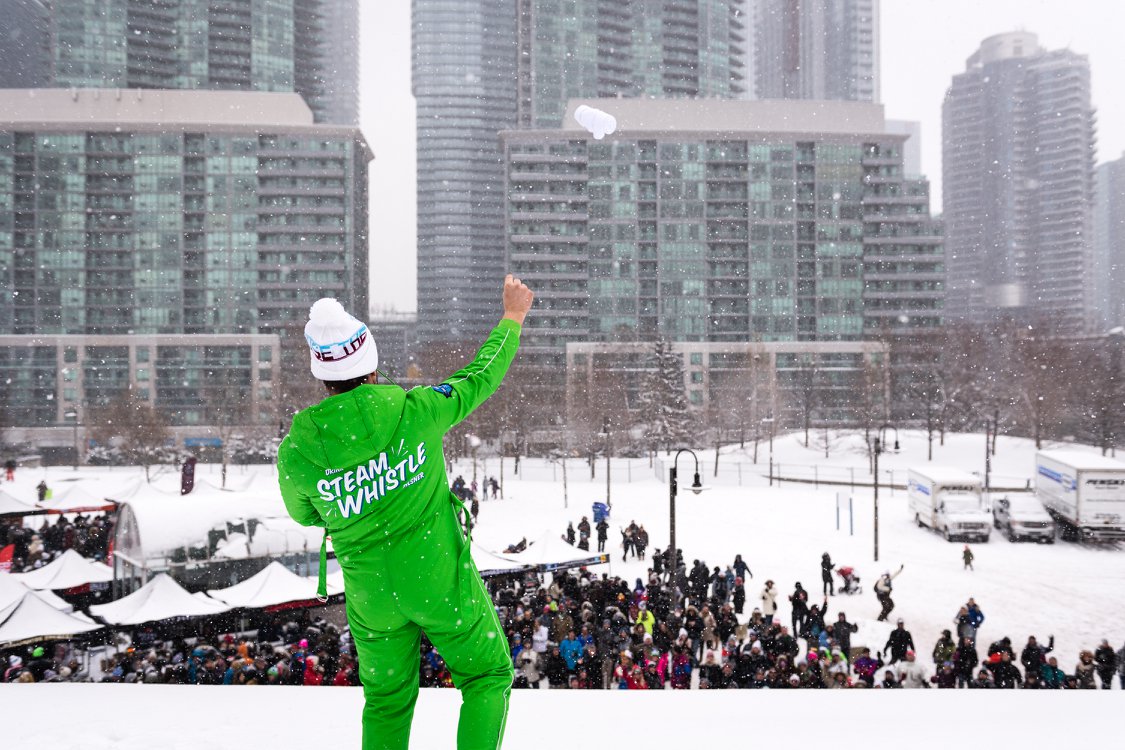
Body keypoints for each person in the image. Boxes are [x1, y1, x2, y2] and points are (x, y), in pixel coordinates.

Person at [277, 275, 533, 750]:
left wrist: (354, 498)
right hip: (435, 577)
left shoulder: (297, 452)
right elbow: (479, 377)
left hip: (371, 595)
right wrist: (512, 318)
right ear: (371, 366)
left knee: (387, 701)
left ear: (323, 377)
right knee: (487, 674)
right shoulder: (418, 410)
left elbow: (307, 514)